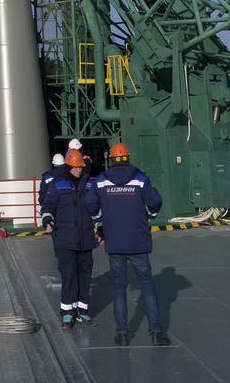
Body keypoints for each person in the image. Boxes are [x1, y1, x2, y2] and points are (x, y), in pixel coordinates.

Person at [84, 141, 169, 347]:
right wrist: (150, 215)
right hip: (138, 241)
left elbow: (89, 203)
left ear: (111, 159)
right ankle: (157, 332)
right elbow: (155, 201)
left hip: (114, 241)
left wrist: (99, 222)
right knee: (147, 285)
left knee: (119, 287)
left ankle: (122, 334)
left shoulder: (102, 181)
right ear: (127, 158)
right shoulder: (140, 179)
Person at [42, 148, 95, 327]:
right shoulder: (57, 184)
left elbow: (97, 207)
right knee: (68, 275)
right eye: (75, 167)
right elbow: (48, 206)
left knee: (85, 276)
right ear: (68, 166)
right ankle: (67, 312)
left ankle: (83, 310)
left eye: (80, 167)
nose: (79, 170)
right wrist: (47, 220)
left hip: (85, 238)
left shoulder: (89, 184)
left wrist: (102, 228)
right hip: (66, 239)